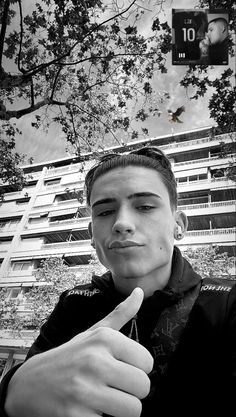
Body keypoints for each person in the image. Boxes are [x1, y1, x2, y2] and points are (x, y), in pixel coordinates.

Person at [0, 146, 235, 417]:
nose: (122, 223)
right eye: (104, 212)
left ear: (178, 225)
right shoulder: (72, 303)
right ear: (92, 235)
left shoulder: (226, 301)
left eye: (145, 206)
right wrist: (13, 392)